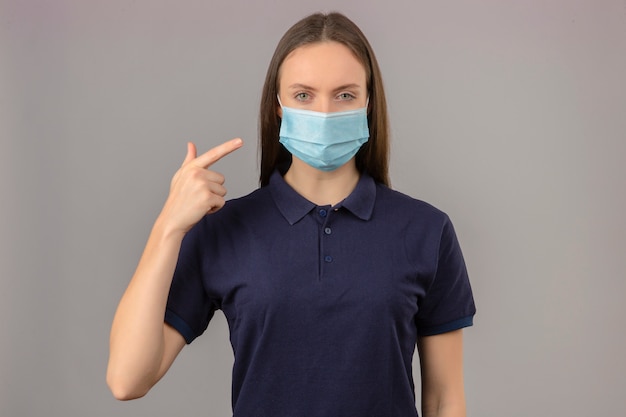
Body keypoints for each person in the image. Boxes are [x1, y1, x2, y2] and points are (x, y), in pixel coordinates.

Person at [107, 12, 475, 417]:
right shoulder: (225, 230)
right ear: (278, 106)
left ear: (369, 103)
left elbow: (444, 400)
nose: (324, 112)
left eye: (345, 95)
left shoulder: (426, 230)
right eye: (303, 95)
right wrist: (168, 227)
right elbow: (127, 379)